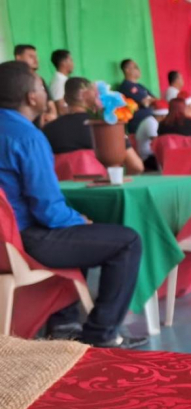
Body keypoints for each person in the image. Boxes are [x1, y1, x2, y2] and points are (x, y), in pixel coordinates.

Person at [0, 61, 146, 348]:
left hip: (5, 239)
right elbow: (49, 212)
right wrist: (80, 220)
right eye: (41, 87)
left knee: (81, 235)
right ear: (31, 97)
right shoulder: (27, 137)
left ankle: (64, 321)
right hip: (23, 240)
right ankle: (102, 334)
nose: (44, 92)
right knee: (126, 241)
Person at [43, 77, 144, 175]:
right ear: (94, 97)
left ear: (65, 99)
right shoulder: (107, 127)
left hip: (64, 191)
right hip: (104, 190)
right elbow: (136, 166)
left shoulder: (47, 130)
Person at [14, 44, 57, 127]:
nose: (36, 60)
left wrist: (52, 115)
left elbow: (51, 104)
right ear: (18, 58)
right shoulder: (13, 81)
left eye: (36, 56)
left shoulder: (40, 80)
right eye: (31, 56)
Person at [118, 59, 155, 133]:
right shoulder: (126, 86)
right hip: (139, 123)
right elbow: (145, 102)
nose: (139, 70)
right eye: (136, 67)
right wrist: (149, 100)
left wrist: (150, 100)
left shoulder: (140, 86)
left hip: (150, 120)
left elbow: (156, 100)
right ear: (127, 70)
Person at [137, 99, 168, 170]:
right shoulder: (150, 122)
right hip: (148, 157)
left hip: (153, 154)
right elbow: (157, 143)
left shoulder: (155, 121)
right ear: (163, 116)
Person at [49, 49, 73, 114]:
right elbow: (61, 109)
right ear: (63, 63)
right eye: (71, 60)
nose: (73, 63)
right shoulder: (58, 82)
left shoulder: (63, 80)